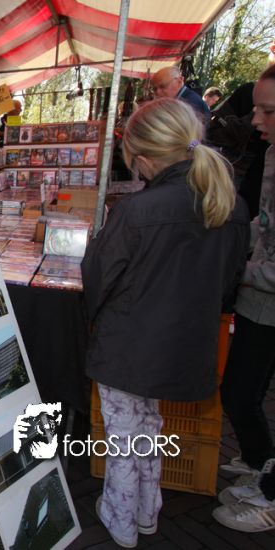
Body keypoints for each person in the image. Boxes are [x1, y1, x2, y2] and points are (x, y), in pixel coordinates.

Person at [81, 98, 249, 548]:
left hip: (126, 345)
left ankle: (121, 520)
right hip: (181, 345)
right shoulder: (230, 205)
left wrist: (97, 320)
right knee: (148, 426)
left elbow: (98, 277)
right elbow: (228, 280)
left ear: (142, 157)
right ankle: (146, 511)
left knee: (123, 434)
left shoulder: (138, 210)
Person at [212, 64, 275, 533]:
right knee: (241, 391)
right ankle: (260, 462)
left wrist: (241, 270)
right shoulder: (271, 154)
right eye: (256, 108)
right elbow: (264, 225)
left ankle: (269, 497)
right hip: (259, 298)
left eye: (267, 110)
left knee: (241, 390)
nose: (254, 120)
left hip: (264, 298)